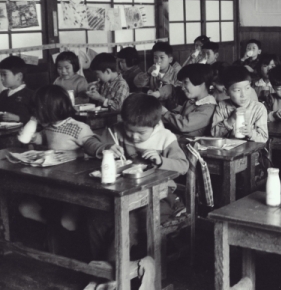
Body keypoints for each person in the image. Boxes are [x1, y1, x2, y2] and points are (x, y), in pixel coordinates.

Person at [86, 94, 188, 263]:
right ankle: (100, 268)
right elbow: (89, 143)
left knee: (129, 219)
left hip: (159, 196)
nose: (133, 137)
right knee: (96, 218)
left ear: (154, 124)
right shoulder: (116, 131)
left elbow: (183, 166)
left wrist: (162, 160)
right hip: (122, 194)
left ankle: (117, 272)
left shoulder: (165, 137)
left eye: (140, 133)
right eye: (129, 130)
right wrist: (106, 147)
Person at [18, 85, 98, 233]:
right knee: (25, 208)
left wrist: (78, 154)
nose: (34, 116)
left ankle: (69, 240)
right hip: (50, 180)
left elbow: (95, 151)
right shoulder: (49, 126)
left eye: (37, 112)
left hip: (72, 187)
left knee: (68, 222)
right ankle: (54, 231)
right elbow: (47, 137)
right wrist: (35, 137)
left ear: (50, 111)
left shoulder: (79, 128)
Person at [211, 66, 268, 142]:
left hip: (252, 152)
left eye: (247, 88)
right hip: (228, 151)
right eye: (237, 90)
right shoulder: (222, 106)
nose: (243, 95)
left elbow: (264, 138)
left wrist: (251, 133)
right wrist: (230, 120)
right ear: (226, 92)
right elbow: (214, 135)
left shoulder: (258, 108)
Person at [161, 64, 216, 137]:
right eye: (182, 83)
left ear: (201, 82)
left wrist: (165, 113)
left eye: (185, 82)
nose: (182, 88)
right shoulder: (191, 101)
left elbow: (184, 124)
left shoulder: (207, 108)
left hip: (189, 144)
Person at [0, 55, 34, 122]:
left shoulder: (31, 95)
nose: (1, 78)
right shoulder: (3, 94)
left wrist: (18, 118)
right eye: (0, 75)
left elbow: (38, 119)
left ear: (19, 76)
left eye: (4, 74)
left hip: (23, 131)